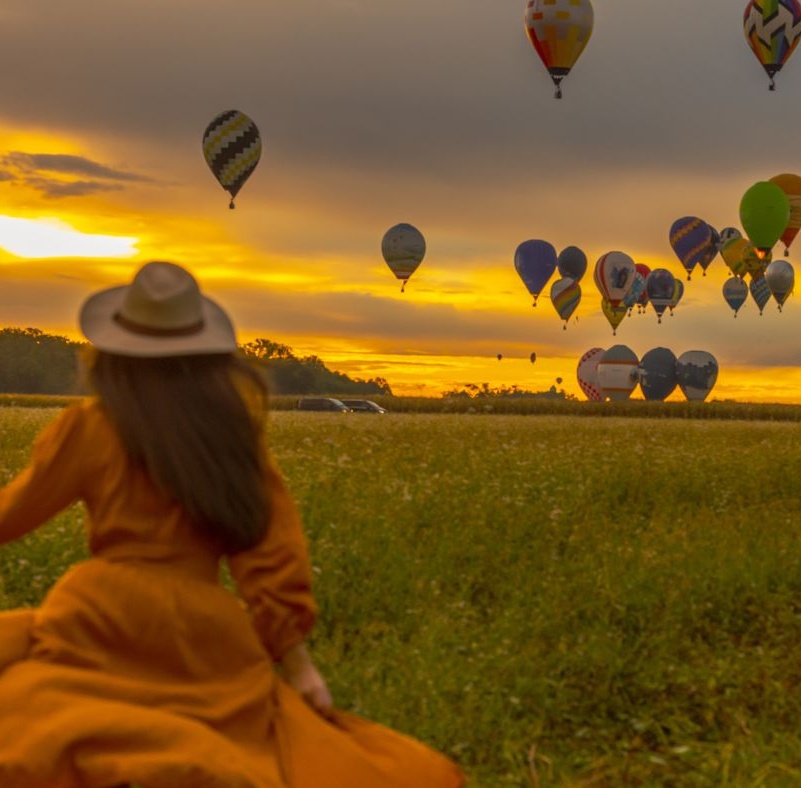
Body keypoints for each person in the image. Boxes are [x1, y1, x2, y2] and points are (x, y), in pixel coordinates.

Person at [0, 261, 465, 787]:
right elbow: (270, 559)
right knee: (240, 745)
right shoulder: (230, 438)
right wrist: (298, 667)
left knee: (40, 713)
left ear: (114, 351)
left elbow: (11, 514)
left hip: (101, 613)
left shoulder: (88, 426)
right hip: (201, 629)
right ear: (207, 357)